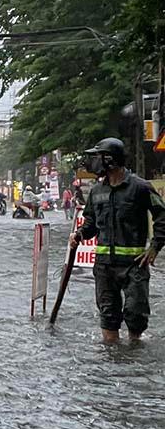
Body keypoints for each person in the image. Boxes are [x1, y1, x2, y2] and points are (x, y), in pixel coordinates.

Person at [71, 137, 165, 344]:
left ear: (110, 160)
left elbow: (162, 216)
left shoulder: (140, 188)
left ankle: (133, 353)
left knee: (136, 314)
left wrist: (154, 248)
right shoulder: (97, 191)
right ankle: (112, 359)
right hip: (104, 266)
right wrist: (79, 234)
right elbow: (91, 222)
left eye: (97, 157)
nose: (93, 163)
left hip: (134, 266)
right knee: (108, 315)